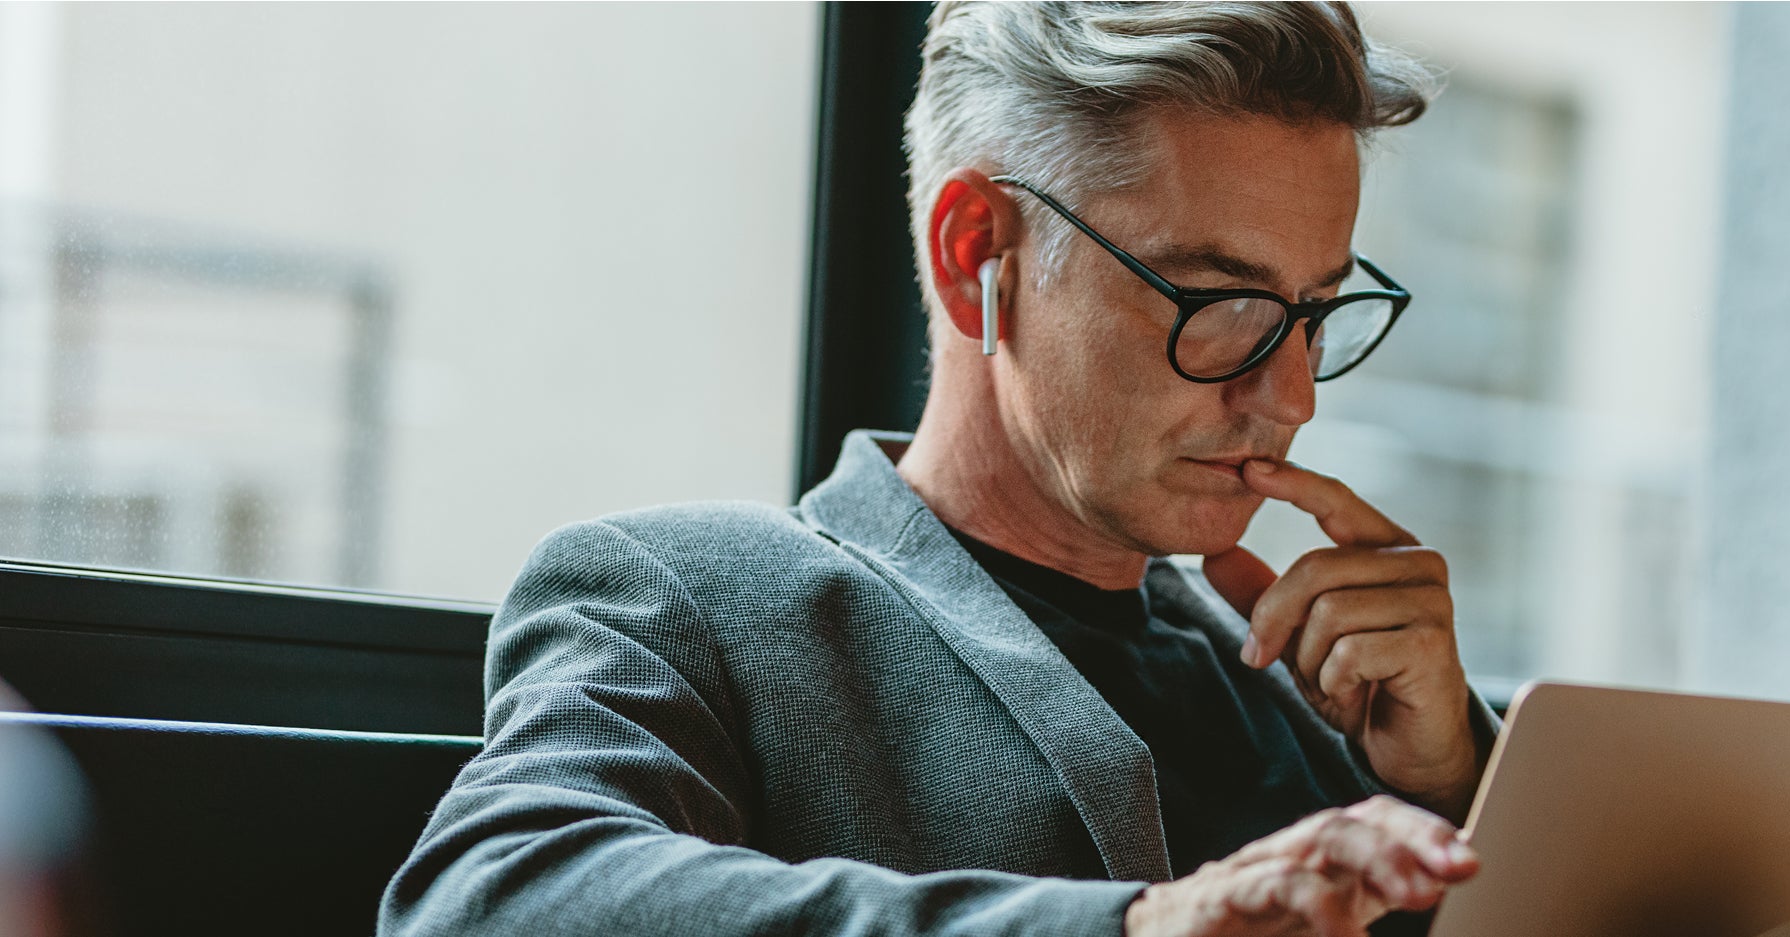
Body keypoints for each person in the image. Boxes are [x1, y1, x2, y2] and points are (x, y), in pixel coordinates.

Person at [380, 3, 1500, 935]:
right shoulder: (692, 597)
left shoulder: (1331, 697)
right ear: (978, 255)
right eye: (1224, 304)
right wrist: (1147, 926)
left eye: (1312, 311)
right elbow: (488, 903)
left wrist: (1463, 784)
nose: (1293, 395)